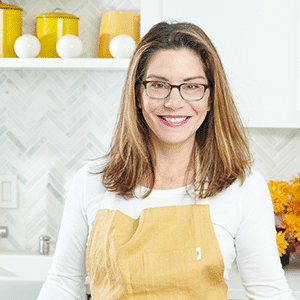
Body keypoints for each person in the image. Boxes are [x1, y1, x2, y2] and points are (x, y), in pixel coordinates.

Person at [37, 21, 298, 300]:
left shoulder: (243, 187)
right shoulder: (92, 181)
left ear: (211, 98)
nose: (174, 102)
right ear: (138, 94)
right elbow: (63, 285)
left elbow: (270, 294)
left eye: (192, 86)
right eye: (159, 85)